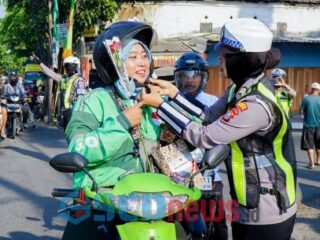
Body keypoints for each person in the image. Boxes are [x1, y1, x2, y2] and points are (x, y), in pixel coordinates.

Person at [142, 18, 297, 240]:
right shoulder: (241, 87)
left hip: (267, 208)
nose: (220, 60)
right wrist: (173, 94)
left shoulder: (255, 105)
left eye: (225, 56)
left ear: (244, 60)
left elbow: (205, 136)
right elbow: (209, 116)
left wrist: (160, 106)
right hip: (248, 199)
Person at [61, 21, 162, 239]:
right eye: (133, 57)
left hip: (149, 206)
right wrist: (121, 124)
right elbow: (78, 149)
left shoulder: (153, 101)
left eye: (145, 56)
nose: (142, 63)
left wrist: (170, 104)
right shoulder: (93, 101)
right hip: (100, 202)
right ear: (116, 62)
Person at [174, 51, 227, 239]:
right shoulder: (167, 102)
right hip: (178, 177)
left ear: (203, 78)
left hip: (208, 174)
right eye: (184, 76)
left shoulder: (214, 103)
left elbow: (222, 138)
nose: (189, 80)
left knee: (217, 224)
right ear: (177, 77)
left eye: (194, 75)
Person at [30, 55, 87, 130]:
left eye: (69, 65)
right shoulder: (63, 78)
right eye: (66, 65)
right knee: (67, 134)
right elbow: (50, 73)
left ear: (75, 66)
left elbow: (81, 98)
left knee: (72, 134)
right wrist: (39, 62)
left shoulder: (79, 80)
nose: (67, 67)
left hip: (73, 111)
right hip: (65, 111)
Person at [299, 82, 320, 169]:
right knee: (319, 143)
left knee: (309, 145)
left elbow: (301, 111)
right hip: (319, 125)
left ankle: (312, 164)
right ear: (319, 90)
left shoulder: (306, 99)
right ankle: (319, 161)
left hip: (308, 125)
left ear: (311, 89)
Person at [1, 71, 28, 138]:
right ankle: (4, 127)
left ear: (16, 78)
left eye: (14, 77)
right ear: (9, 78)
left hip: (18, 102)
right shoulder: (6, 86)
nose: (13, 78)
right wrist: (3, 98)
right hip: (9, 103)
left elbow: (23, 93)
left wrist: (25, 97)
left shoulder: (20, 85)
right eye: (12, 77)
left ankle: (24, 123)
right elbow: (3, 94)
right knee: (4, 112)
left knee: (26, 109)